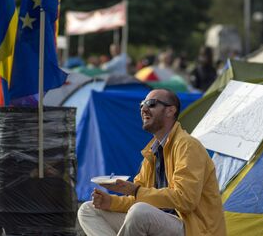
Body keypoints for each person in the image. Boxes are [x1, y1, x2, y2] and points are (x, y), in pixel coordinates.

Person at [77, 89, 226, 236]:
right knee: (88, 210)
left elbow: (186, 200)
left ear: (170, 111)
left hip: (195, 229)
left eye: (151, 104)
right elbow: (140, 198)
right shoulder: (152, 152)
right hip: (161, 221)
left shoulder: (187, 146)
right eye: (142, 105)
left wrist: (134, 190)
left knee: (140, 212)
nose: (144, 109)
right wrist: (110, 202)